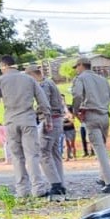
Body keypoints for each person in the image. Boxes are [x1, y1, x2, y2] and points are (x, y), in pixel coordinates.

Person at [0, 54, 52, 197]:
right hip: (28, 120)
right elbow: (42, 100)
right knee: (32, 155)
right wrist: (48, 118)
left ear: (3, 66)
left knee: (17, 157)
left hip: (11, 121)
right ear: (14, 64)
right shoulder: (28, 79)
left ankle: (22, 190)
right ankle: (38, 189)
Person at [71, 55, 110, 194]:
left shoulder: (80, 79)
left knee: (100, 151)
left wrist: (75, 112)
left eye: (77, 67)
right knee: (102, 148)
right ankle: (102, 176)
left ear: (81, 66)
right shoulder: (103, 79)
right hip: (105, 116)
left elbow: (77, 96)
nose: (76, 70)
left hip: (91, 116)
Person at [26, 64, 66, 196]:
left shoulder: (43, 85)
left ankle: (55, 184)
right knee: (55, 153)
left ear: (32, 75)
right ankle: (60, 183)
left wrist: (33, 112)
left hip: (49, 120)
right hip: (58, 119)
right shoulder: (50, 82)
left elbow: (44, 104)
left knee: (44, 152)